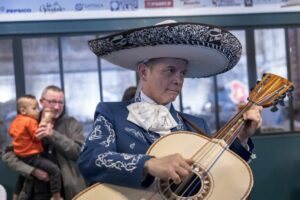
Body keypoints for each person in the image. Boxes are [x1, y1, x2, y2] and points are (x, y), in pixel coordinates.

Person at [77, 21, 262, 196]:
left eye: (182, 73)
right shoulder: (113, 113)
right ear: (143, 72)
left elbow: (218, 174)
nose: (178, 80)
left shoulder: (196, 125)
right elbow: (91, 160)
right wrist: (148, 164)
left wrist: (242, 138)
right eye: (170, 70)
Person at [2, 85, 86, 200]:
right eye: (52, 102)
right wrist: (32, 171)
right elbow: (7, 155)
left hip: (66, 191)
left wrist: (52, 134)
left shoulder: (72, 124)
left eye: (60, 102)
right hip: (34, 190)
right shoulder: (27, 122)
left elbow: (78, 152)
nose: (56, 107)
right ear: (41, 102)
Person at [9, 95, 62, 200]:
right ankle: (56, 196)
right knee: (55, 170)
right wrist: (44, 122)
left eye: (60, 102)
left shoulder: (17, 120)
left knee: (22, 176)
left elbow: (11, 132)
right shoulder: (31, 121)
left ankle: (15, 196)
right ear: (23, 110)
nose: (38, 111)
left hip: (21, 155)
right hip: (31, 157)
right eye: (35, 108)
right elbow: (38, 136)